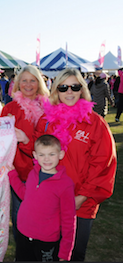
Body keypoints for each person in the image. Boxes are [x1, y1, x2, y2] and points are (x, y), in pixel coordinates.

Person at [22, 68, 117, 261]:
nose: (69, 92)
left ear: (82, 89)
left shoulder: (95, 123)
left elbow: (103, 164)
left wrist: (81, 197)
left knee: (73, 254)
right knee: (48, 252)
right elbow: (39, 152)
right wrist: (24, 140)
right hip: (50, 202)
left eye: (75, 86)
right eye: (63, 87)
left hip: (80, 203)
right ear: (56, 91)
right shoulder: (46, 120)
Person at [0, 65, 50, 242]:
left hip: (45, 171)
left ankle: (40, 248)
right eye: (24, 80)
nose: (28, 85)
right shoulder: (9, 109)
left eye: (33, 80)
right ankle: (22, 253)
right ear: (17, 83)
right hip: (20, 172)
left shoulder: (49, 108)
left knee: (45, 214)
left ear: (39, 83)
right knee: (20, 214)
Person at [9, 134, 76, 261]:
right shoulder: (33, 174)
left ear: (61, 154)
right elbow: (25, 194)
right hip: (23, 233)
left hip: (46, 240)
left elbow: (69, 219)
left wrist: (65, 250)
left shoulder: (65, 184)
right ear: (35, 155)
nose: (46, 159)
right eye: (42, 154)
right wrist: (12, 175)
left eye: (52, 154)